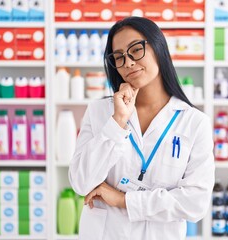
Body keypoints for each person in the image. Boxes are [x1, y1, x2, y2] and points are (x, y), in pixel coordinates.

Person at [68, 16, 215, 240]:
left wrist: (123, 200)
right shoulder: (99, 112)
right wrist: (117, 122)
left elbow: (195, 203)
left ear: (158, 48)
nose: (128, 62)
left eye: (135, 50)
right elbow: (81, 182)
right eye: (119, 57)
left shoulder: (195, 123)